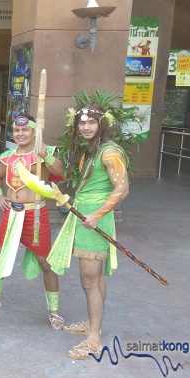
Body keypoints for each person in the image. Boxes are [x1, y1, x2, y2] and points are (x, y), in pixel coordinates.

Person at [46, 103, 130, 360]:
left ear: (102, 124)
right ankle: (94, 326)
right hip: (86, 219)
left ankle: (94, 339)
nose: (86, 127)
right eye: (82, 123)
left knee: (89, 280)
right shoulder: (92, 150)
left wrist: (97, 215)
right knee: (96, 279)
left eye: (91, 123)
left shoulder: (109, 152)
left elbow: (122, 189)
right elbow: (62, 172)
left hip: (95, 221)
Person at [0, 114, 67, 330]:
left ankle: (54, 311)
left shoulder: (45, 153)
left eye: (25, 130)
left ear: (35, 132)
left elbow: (60, 172)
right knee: (0, 256)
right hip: (11, 213)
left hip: (35, 214)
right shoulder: (8, 156)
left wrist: (46, 155)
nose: (20, 134)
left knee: (46, 262)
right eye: (16, 130)